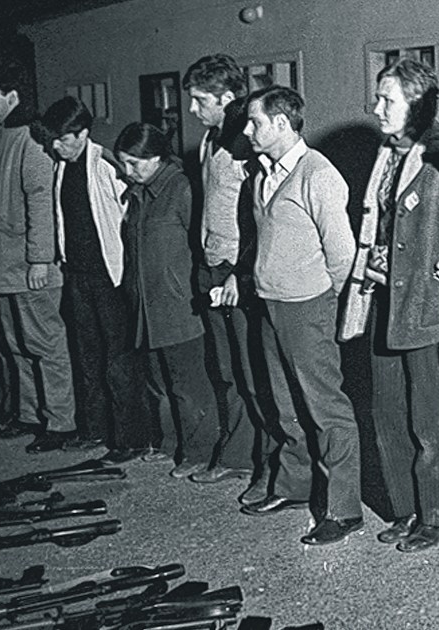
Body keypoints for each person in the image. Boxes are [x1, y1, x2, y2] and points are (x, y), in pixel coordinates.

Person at [349, 59, 439, 552]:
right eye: (378, 98)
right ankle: (405, 508)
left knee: (428, 415)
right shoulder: (388, 153)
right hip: (385, 299)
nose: (377, 108)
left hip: (428, 305)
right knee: (386, 410)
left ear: (418, 104)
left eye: (388, 99)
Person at [237, 86, 363, 548]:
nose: (247, 131)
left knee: (326, 408)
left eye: (255, 122)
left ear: (282, 124)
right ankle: (294, 487)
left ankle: (344, 509)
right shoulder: (263, 173)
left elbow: (343, 253)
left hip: (308, 306)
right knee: (285, 405)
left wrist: (325, 302)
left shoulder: (318, 174)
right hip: (270, 303)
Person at [0, 64, 78, 453]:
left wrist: (40, 259)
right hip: (3, 264)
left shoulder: (32, 139)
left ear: (12, 97)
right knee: (15, 343)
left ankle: (60, 423)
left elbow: (42, 202)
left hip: (30, 266)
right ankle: (29, 414)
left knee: (44, 344)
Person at [40, 96, 151, 463]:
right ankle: (95, 430)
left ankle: (130, 439)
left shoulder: (105, 165)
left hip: (109, 277)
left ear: (83, 134)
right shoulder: (61, 167)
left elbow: (128, 216)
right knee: (87, 355)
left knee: (118, 360)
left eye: (63, 139)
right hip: (77, 274)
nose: (56, 146)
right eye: (53, 140)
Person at [114, 122, 219, 478]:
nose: (127, 171)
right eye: (123, 163)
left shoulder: (181, 188)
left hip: (179, 306)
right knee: (158, 383)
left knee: (187, 386)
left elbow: (201, 248)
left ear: (156, 157)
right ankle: (170, 444)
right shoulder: (138, 193)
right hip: (146, 306)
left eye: (134, 163)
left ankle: (199, 452)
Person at [182, 54, 266, 493]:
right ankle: (237, 455)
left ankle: (262, 464)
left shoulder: (244, 144)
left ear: (228, 97)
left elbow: (258, 214)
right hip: (212, 265)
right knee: (227, 369)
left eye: (200, 100)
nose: (192, 109)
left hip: (237, 269)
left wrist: (242, 271)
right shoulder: (209, 140)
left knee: (250, 371)